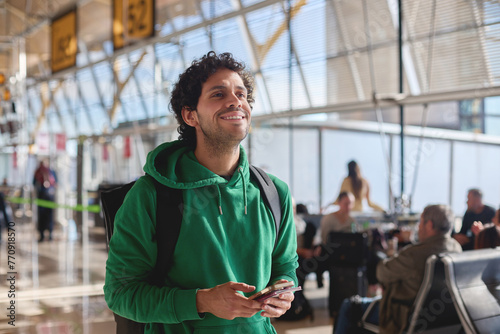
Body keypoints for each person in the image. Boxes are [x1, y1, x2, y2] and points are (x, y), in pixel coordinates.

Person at [104, 52, 298, 333]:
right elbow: (120, 293)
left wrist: (283, 290)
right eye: (218, 94)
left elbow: (285, 265)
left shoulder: (274, 193)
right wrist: (200, 301)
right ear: (190, 115)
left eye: (241, 94)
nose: (236, 101)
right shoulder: (151, 195)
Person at [333, 204, 462, 334]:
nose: (418, 227)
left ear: (429, 225)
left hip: (403, 316)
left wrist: (391, 255)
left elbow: (382, 273)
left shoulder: (413, 255)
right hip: (438, 319)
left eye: (421, 222)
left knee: (348, 306)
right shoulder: (456, 248)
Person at [33, 159, 57, 242]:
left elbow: (34, 183)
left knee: (44, 215)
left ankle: (45, 235)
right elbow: (55, 183)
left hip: (43, 196)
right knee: (48, 215)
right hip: (48, 195)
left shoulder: (38, 172)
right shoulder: (51, 171)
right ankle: (48, 235)